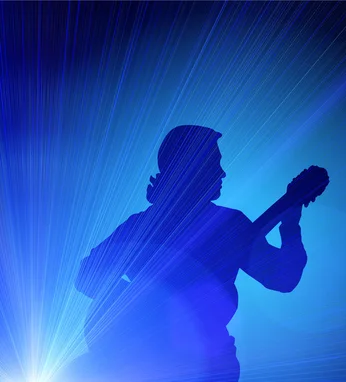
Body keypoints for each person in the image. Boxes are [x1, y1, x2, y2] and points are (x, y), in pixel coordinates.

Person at [72, 125, 308, 382]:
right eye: (214, 164)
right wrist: (142, 303)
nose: (222, 172)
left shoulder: (228, 224)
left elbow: (282, 278)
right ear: (192, 170)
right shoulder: (144, 225)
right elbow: (87, 274)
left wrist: (290, 223)